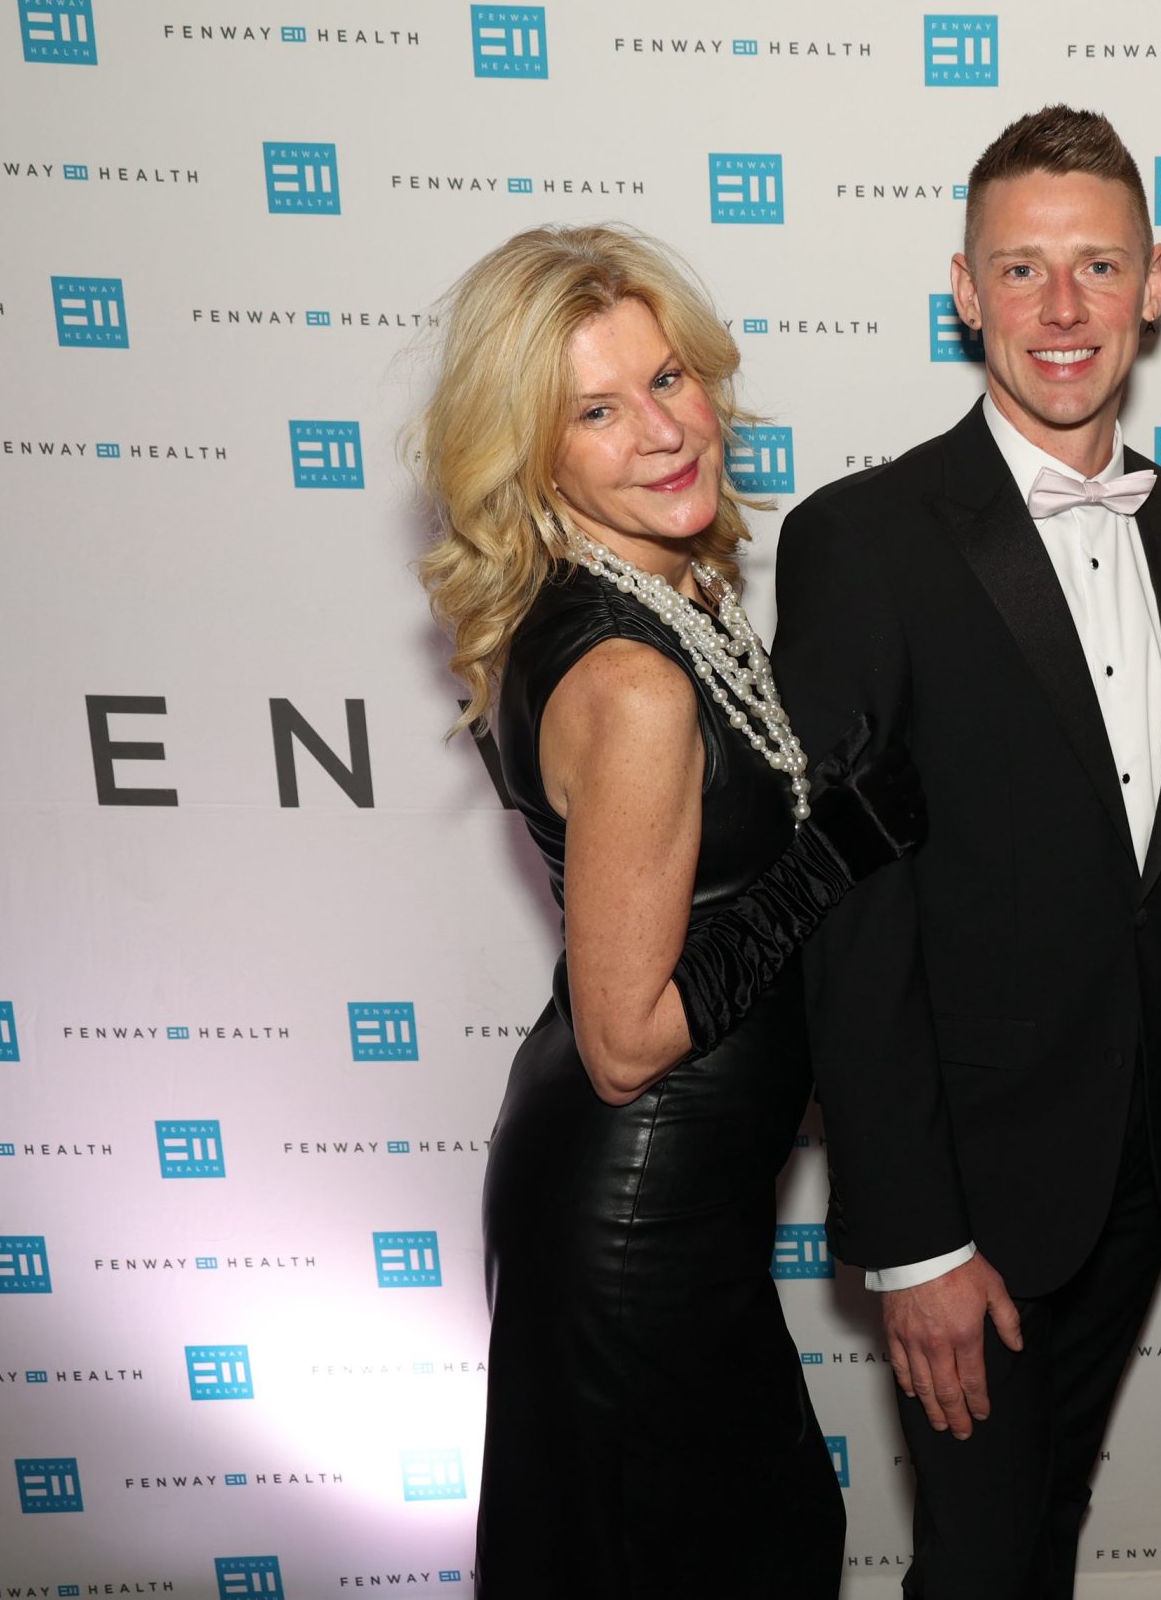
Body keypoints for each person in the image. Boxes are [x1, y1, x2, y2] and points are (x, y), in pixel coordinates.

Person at [773, 106, 1161, 1596]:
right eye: (1022, 268)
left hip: (1141, 1153)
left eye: (1098, 265)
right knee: (975, 1567)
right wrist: (915, 1243)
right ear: (964, 291)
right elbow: (844, 911)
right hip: (966, 1188)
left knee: (1042, 1541)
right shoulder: (862, 537)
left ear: (1154, 285)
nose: (1062, 307)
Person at [416, 223, 922, 1597]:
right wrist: (832, 855)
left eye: (667, 380)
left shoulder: (650, 593)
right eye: (595, 410)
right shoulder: (631, 683)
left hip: (668, 1197)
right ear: (533, 457)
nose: (661, 431)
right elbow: (628, 1038)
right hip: (637, 1207)